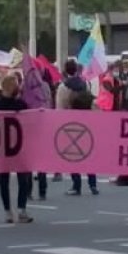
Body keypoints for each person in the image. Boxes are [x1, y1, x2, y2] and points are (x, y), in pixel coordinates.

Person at [0, 73, 34, 224]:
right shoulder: (21, 105)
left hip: (2, 147)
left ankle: (8, 211)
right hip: (20, 146)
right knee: (23, 179)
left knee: (4, 180)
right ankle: (22, 210)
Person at [55, 60, 99, 196]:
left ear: (65, 70)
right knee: (88, 154)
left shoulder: (63, 87)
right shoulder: (84, 84)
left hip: (70, 123)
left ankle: (76, 185)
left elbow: (60, 107)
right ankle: (93, 184)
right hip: (85, 121)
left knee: (73, 155)